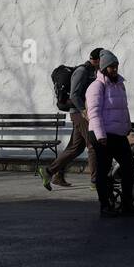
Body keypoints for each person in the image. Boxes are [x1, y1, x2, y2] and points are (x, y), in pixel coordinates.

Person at [39, 48, 101, 190]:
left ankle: (49, 172)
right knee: (93, 145)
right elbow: (74, 95)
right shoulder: (82, 71)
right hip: (79, 114)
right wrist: (84, 111)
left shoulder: (93, 71)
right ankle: (95, 182)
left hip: (82, 113)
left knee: (75, 148)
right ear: (96, 60)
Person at [85, 50, 134, 217]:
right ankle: (105, 205)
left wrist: (128, 128)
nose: (114, 69)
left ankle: (127, 204)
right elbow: (94, 113)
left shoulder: (120, 84)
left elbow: (124, 109)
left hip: (118, 135)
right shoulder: (96, 86)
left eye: (116, 66)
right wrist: (100, 136)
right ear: (104, 68)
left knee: (128, 167)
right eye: (111, 67)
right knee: (103, 170)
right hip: (102, 134)